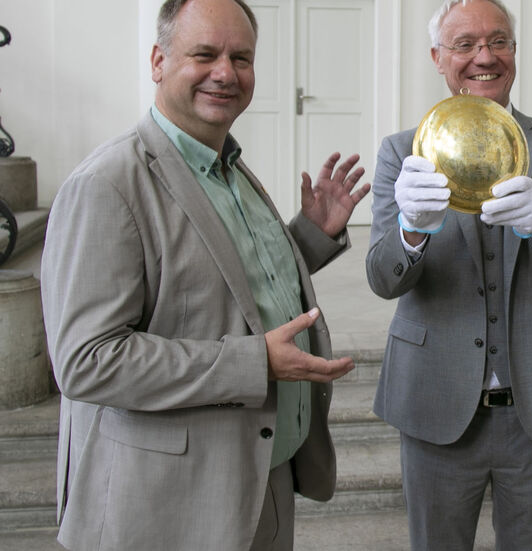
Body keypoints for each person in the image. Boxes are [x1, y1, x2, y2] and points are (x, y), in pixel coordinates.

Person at [39, 0, 370, 549]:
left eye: (241, 58)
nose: (225, 73)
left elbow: (222, 283)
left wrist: (309, 236)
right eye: (204, 54)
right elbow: (87, 361)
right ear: (158, 61)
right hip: (169, 506)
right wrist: (255, 362)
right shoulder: (106, 184)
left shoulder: (228, 168)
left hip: (261, 478)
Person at [365, 0, 532, 548]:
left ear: (514, 53)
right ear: (437, 57)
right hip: (435, 401)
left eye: (499, 41)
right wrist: (410, 231)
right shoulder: (402, 153)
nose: (484, 57)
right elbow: (383, 278)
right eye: (465, 44)